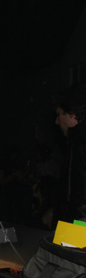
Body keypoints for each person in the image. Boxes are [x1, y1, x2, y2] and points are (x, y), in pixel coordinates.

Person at [54, 84, 86, 221]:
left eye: (59, 114)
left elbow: (80, 202)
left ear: (72, 114)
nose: (57, 121)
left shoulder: (80, 144)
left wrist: (75, 230)